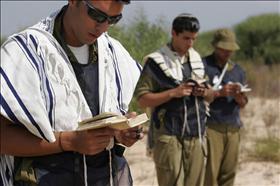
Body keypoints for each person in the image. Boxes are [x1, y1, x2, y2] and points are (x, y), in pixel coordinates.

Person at [0, 1, 144, 186]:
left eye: (113, 19)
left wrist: (122, 132)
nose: (103, 27)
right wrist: (67, 142)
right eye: (97, 15)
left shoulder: (113, 53)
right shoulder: (24, 51)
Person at [133, 13, 214, 186]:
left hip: (196, 133)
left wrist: (204, 91)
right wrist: (173, 93)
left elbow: (211, 96)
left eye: (193, 39)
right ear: (174, 33)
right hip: (168, 134)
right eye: (186, 38)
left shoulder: (197, 60)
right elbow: (142, 99)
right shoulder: (156, 62)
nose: (190, 44)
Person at [203, 28, 249, 186]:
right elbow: (198, 96)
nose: (227, 53)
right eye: (224, 49)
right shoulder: (203, 66)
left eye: (230, 50)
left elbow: (243, 103)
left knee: (229, 173)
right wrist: (219, 93)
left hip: (233, 129)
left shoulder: (238, 71)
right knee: (210, 174)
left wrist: (238, 96)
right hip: (211, 128)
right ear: (215, 46)